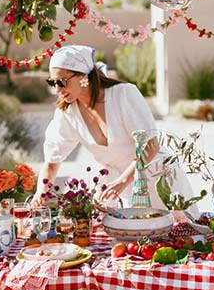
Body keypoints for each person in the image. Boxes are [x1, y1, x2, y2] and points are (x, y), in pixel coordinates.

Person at [32, 44, 191, 210]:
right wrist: (41, 194)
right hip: (125, 190)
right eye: (52, 83)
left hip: (163, 182)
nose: (57, 89)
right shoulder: (67, 113)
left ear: (83, 76)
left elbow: (151, 145)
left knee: (180, 233)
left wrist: (122, 181)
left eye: (62, 82)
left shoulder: (123, 94)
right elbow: (52, 161)